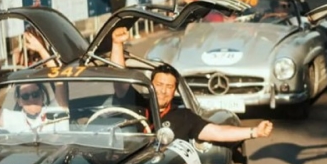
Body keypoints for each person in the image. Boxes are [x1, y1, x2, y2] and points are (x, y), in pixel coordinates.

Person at [111, 31, 273, 143]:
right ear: (150, 85)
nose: (163, 90)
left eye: (169, 87)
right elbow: (119, 79)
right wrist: (117, 44)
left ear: (174, 91)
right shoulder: (135, 104)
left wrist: (254, 132)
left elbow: (216, 132)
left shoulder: (183, 117)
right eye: (159, 85)